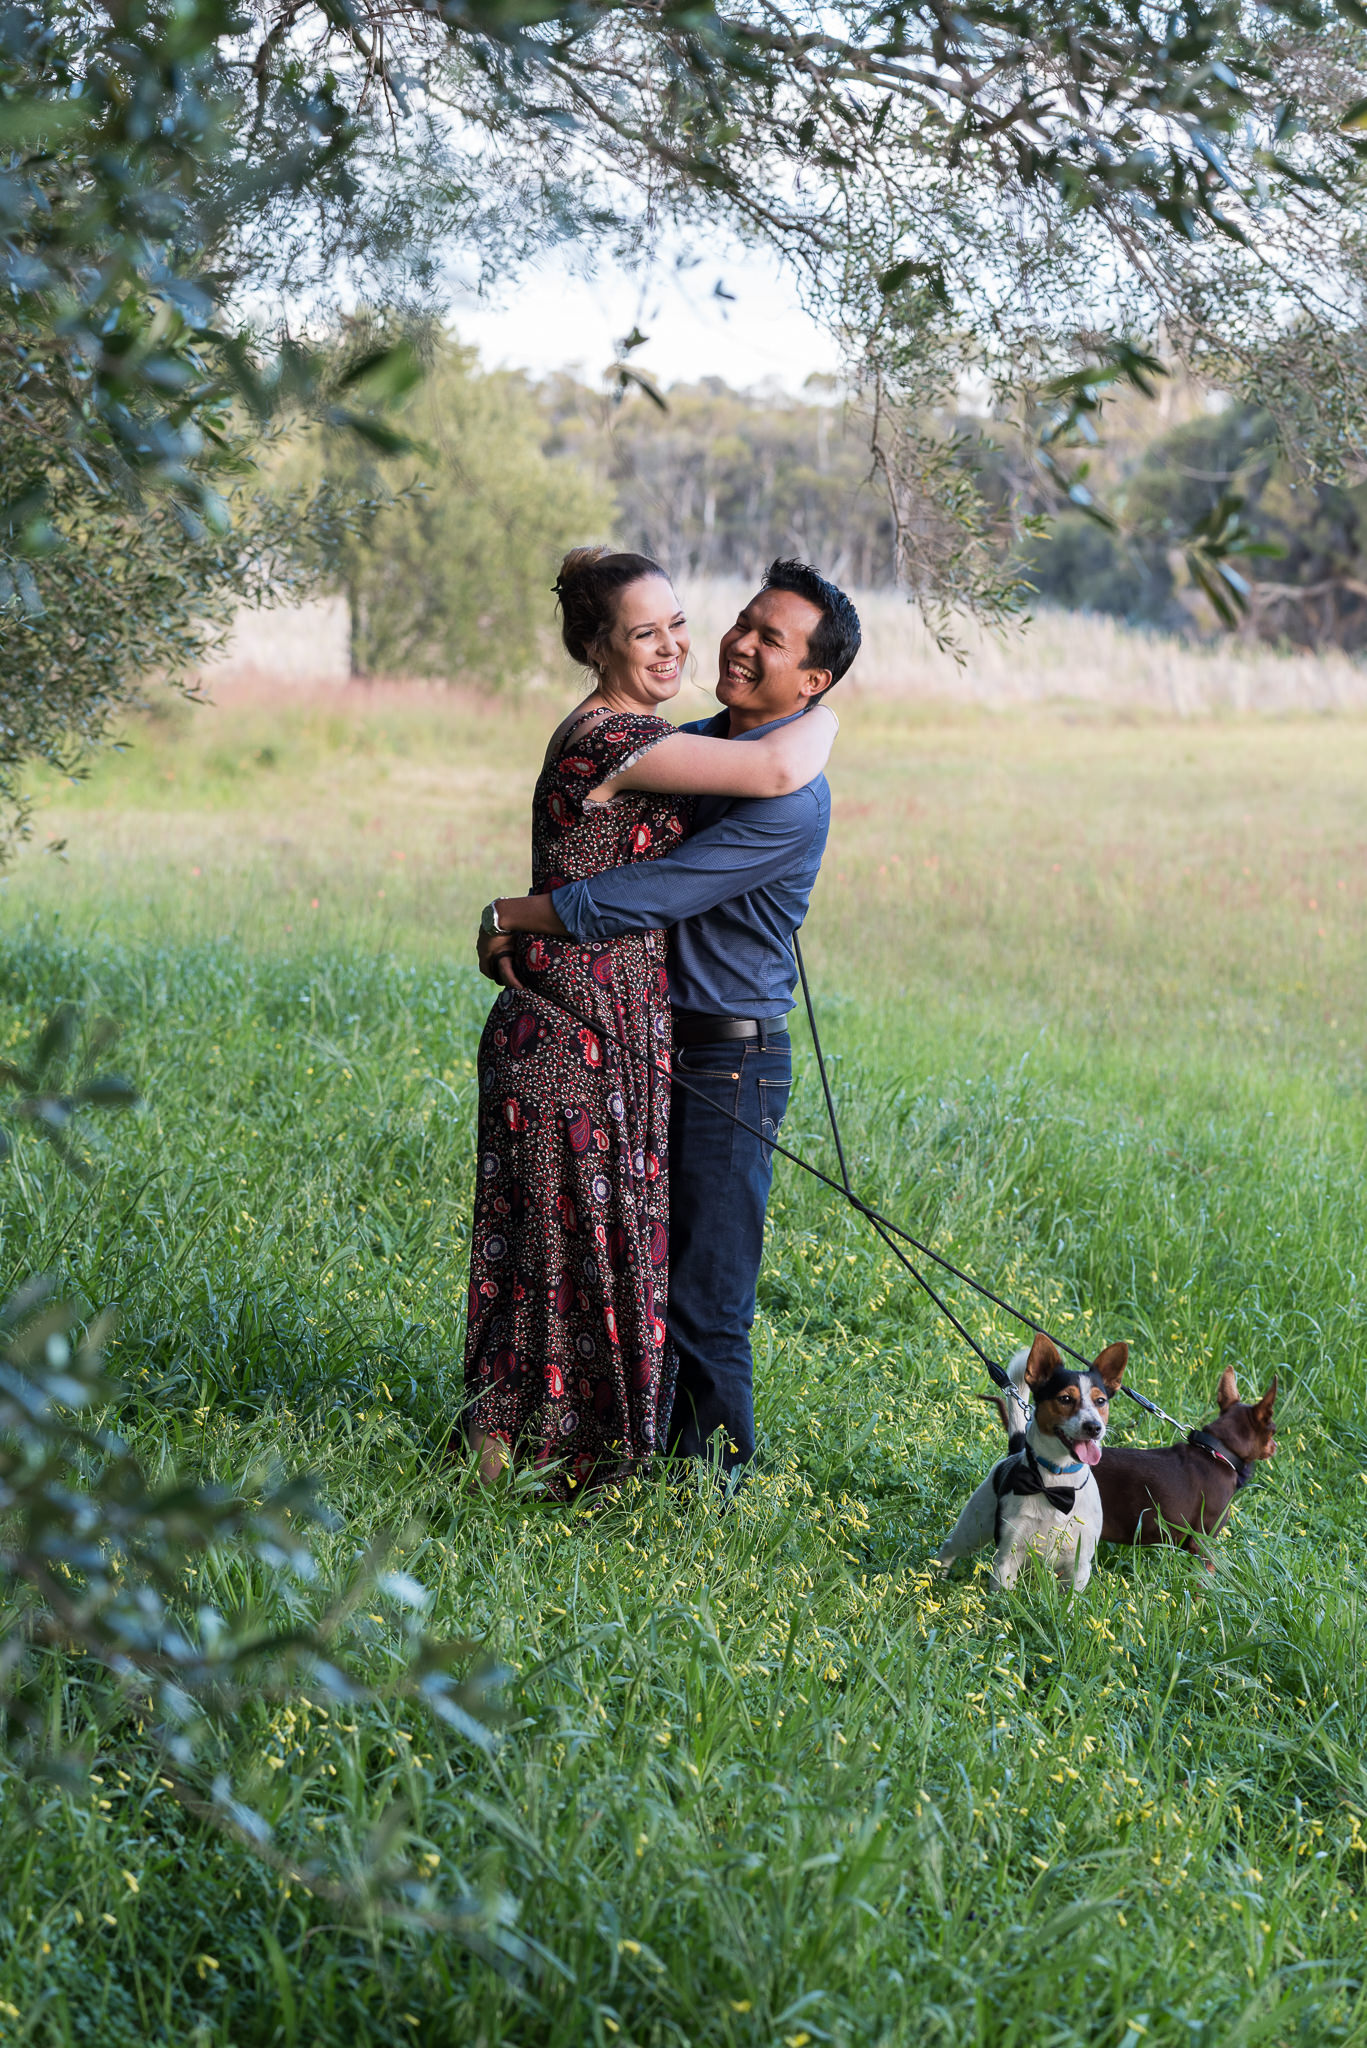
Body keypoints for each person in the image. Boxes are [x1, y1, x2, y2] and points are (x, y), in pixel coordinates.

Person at [463, 547, 838, 1496]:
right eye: (740, 622)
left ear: (813, 676)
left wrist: (514, 914)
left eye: (772, 639)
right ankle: (587, 1460)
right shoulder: (684, 746)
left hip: (723, 1060)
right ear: (599, 646)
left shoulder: (782, 788)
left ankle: (713, 1488)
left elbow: (648, 893)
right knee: (599, 1257)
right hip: (616, 1041)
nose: (727, 642)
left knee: (702, 1296)